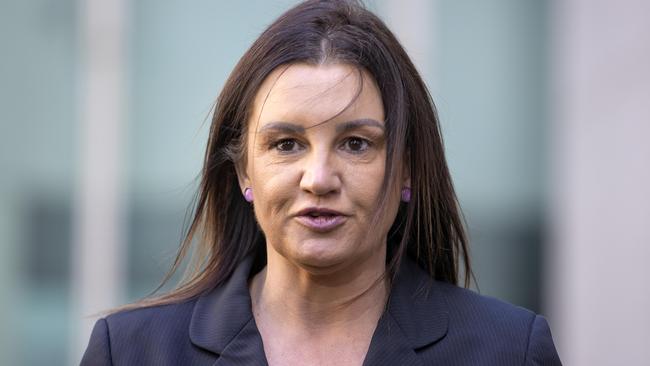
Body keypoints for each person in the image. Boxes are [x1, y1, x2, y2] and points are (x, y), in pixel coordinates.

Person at [81, 0, 562, 365]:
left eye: (356, 143)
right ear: (245, 171)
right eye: (286, 144)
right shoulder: (131, 351)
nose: (319, 179)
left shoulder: (508, 350)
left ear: (408, 169)